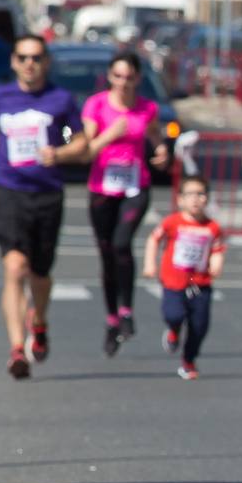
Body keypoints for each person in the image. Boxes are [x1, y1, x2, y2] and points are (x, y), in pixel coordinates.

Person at [0, 35, 88, 380]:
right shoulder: (0, 97)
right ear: (13, 61)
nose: (30, 64)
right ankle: (16, 348)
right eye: (23, 57)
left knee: (40, 274)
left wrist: (62, 152)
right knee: (14, 267)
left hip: (48, 194)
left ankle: (38, 320)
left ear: (46, 62)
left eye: (37, 57)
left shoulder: (61, 100)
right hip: (11, 192)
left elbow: (77, 137)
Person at [81, 50, 168, 357]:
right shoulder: (97, 105)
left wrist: (161, 151)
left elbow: (156, 136)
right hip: (102, 187)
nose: (123, 83)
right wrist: (110, 135)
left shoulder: (147, 108)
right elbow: (87, 150)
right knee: (106, 254)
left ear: (138, 79)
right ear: (110, 77)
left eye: (129, 77)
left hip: (135, 186)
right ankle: (111, 318)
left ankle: (127, 309)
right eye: (117, 77)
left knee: (121, 245)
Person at [140, 175, 225, 380]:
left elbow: (218, 249)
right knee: (174, 314)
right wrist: (150, 264)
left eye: (201, 194)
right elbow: (154, 240)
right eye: (190, 194)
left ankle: (188, 361)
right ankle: (174, 330)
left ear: (207, 198)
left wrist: (216, 263)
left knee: (200, 325)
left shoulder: (212, 226)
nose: (195, 199)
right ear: (180, 199)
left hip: (200, 283)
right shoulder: (172, 222)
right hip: (174, 281)